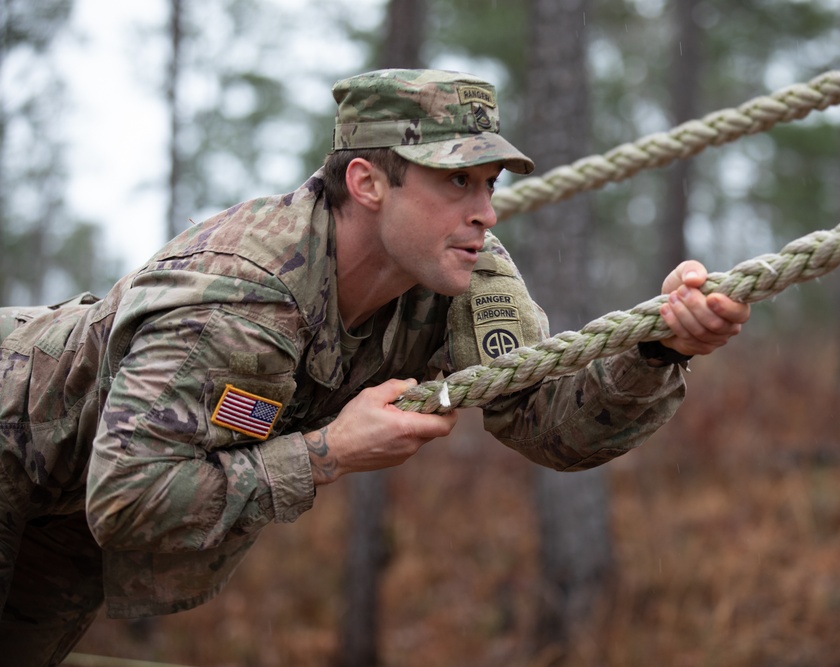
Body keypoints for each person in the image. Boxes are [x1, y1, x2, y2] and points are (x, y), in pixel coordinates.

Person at [0, 68, 750, 665]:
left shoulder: (465, 272)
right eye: (457, 181)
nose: (485, 209)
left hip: (72, 513)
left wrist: (658, 349)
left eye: (490, 183)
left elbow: (550, 424)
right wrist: (327, 452)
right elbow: (130, 495)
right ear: (366, 183)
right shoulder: (240, 297)